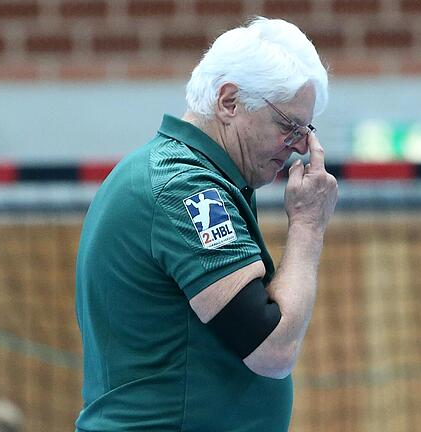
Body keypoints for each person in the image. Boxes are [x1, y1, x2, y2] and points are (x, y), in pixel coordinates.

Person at [74, 17, 337, 431]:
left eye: (306, 130)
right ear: (228, 101)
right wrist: (308, 225)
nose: (302, 147)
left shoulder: (189, 176)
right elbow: (272, 349)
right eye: (289, 126)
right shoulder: (185, 188)